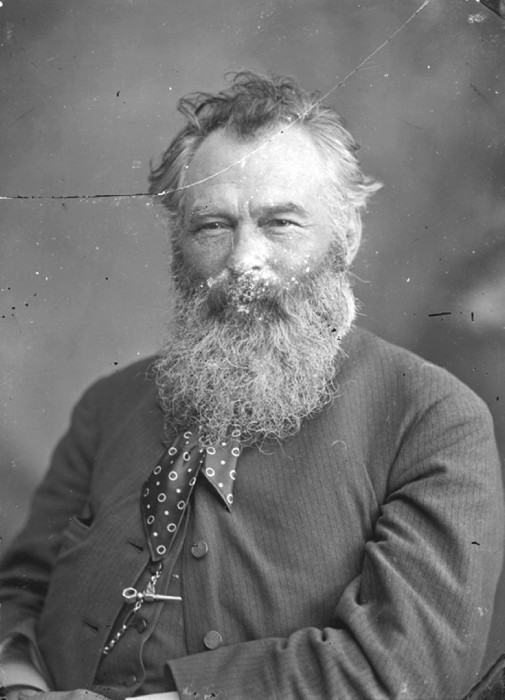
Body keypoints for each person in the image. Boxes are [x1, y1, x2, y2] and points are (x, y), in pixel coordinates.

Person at [0, 71, 503, 700]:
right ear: (179, 244)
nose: (244, 260)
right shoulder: (109, 405)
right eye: (213, 226)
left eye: (281, 223)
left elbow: (408, 668)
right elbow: (19, 591)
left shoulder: (432, 418)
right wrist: (19, 688)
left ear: (347, 237)